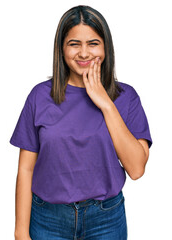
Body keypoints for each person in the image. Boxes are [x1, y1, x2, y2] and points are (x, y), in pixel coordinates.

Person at [10, 5, 152, 240]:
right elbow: (25, 169)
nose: (84, 53)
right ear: (61, 49)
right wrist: (20, 232)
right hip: (48, 219)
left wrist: (105, 103)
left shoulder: (126, 97)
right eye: (74, 44)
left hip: (106, 220)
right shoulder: (39, 96)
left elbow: (136, 169)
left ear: (106, 47)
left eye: (93, 43)